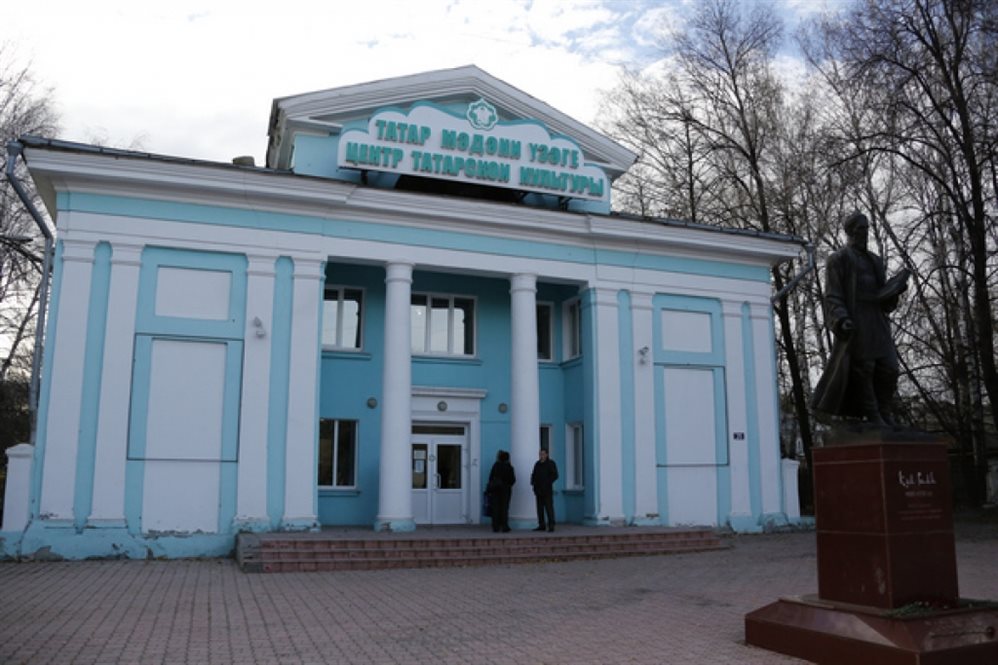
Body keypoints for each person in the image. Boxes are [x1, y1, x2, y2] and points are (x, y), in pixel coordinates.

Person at [813, 211, 910, 426]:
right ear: (850, 232)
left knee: (890, 367)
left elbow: (883, 298)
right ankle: (873, 415)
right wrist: (841, 318)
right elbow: (833, 295)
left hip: (877, 319)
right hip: (857, 319)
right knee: (864, 368)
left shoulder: (875, 261)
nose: (865, 233)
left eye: (866, 229)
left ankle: (885, 411)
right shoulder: (838, 259)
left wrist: (895, 291)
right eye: (860, 229)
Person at [530, 448, 559, 532]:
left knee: (549, 507)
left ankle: (551, 525)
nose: (541, 456)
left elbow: (555, 475)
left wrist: (547, 482)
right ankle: (541, 524)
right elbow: (534, 474)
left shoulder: (550, 463)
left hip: (547, 490)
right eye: (540, 454)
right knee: (540, 508)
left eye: (543, 454)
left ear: (547, 454)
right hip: (538, 489)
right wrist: (533, 482)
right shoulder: (537, 464)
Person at [487, 450, 515, 533]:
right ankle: (504, 526)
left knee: (495, 508)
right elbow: (512, 480)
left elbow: (491, 477)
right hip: (505, 490)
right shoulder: (509, 467)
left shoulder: (495, 466)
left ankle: (495, 526)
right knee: (504, 508)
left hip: (495, 490)